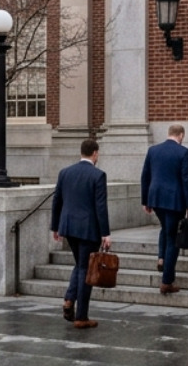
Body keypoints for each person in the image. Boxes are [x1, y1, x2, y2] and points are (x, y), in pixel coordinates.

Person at [51, 138, 111, 329]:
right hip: (88, 230)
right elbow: (100, 207)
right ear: (95, 153)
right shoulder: (98, 175)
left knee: (80, 265)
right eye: (98, 153)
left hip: (68, 227)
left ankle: (69, 299)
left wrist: (55, 227)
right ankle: (81, 316)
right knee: (86, 270)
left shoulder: (65, 173)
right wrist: (106, 233)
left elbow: (57, 201)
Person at [140, 123, 188, 294]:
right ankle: (167, 281)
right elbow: (186, 179)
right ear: (181, 135)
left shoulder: (153, 150)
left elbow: (145, 176)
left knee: (166, 228)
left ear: (169, 133)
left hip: (155, 198)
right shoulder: (184, 152)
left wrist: (145, 200)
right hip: (174, 200)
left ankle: (161, 258)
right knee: (173, 239)